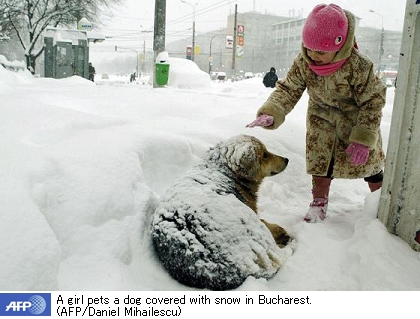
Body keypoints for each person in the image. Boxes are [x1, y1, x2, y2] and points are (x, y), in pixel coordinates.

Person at [246, 4, 386, 223]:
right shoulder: (303, 62)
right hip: (321, 121)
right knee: (321, 163)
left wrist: (364, 137)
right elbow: (288, 89)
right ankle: (319, 201)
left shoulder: (359, 66)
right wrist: (272, 111)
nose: (312, 55)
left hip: (356, 121)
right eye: (308, 48)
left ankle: (380, 201)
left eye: (320, 51)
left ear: (339, 45)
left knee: (371, 167)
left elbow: (373, 101)